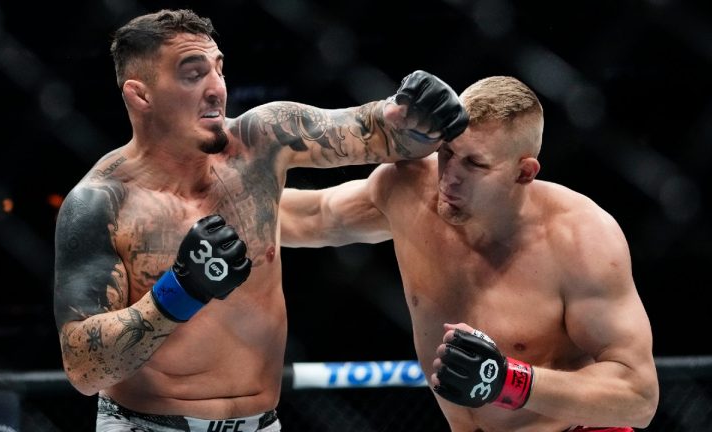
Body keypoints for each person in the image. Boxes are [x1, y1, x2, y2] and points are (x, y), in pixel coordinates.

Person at [52, 8, 469, 432]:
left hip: (261, 423)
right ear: (141, 96)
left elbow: (383, 132)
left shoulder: (260, 142)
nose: (216, 89)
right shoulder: (101, 203)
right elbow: (85, 371)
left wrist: (420, 111)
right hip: (144, 424)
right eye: (192, 74)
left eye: (218, 70)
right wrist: (178, 292)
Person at [280, 76, 659, 431]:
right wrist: (223, 204)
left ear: (524, 172)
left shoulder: (581, 238)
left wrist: (510, 381)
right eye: (447, 153)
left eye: (475, 164)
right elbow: (310, 216)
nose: (449, 176)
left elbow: (638, 396)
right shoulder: (409, 190)